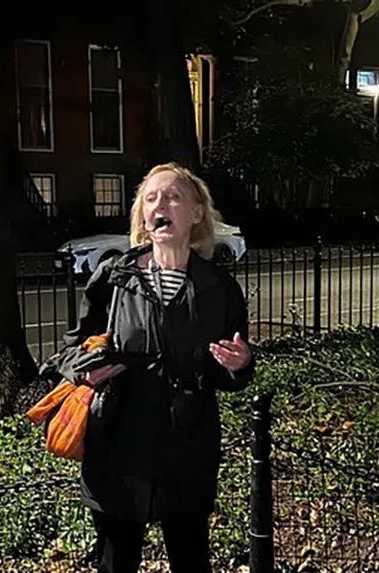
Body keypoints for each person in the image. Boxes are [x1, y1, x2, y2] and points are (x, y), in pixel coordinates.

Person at [40, 163, 254, 573]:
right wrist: (86, 370)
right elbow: (68, 350)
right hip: (118, 448)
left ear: (195, 213)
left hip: (187, 453)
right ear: (142, 216)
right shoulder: (114, 279)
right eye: (151, 198)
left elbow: (231, 375)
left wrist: (240, 365)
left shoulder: (219, 289)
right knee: (116, 563)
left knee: (191, 562)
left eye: (173, 196)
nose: (161, 205)